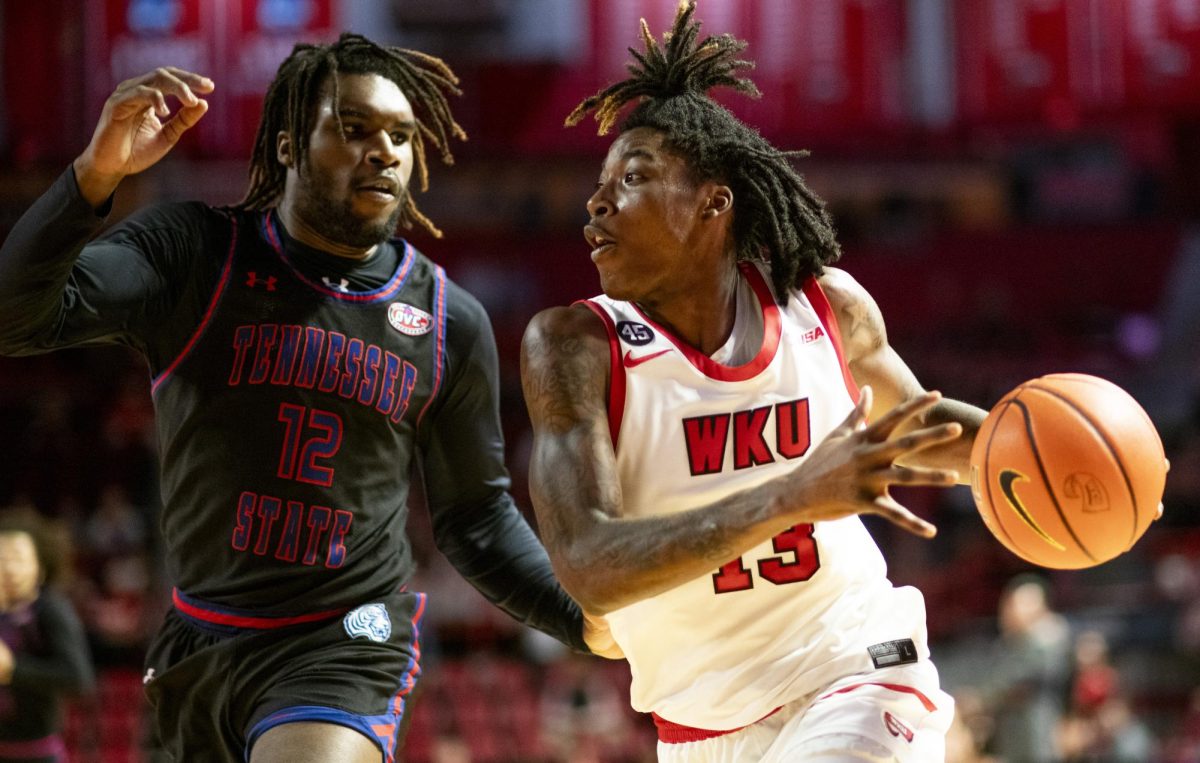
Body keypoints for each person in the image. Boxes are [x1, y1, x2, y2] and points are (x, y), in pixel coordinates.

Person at [0, 33, 607, 762]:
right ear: (287, 145)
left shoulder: (449, 319)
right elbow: (16, 318)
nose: (385, 151)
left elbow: (476, 519)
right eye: (354, 129)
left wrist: (582, 618)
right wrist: (94, 176)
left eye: (401, 136)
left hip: (344, 642)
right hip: (198, 637)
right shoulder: (197, 254)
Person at [519, 3, 990, 760]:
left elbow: (930, 439)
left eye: (633, 177)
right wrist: (793, 495)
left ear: (712, 202)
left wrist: (1042, 456)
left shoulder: (825, 308)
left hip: (856, 674)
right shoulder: (575, 345)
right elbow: (589, 566)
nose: (598, 202)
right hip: (699, 729)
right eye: (599, 183)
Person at [0, 516, 95, 763]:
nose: (8, 569)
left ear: (40, 567)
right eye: (2, 560)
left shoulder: (52, 609)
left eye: (17, 559)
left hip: (35, 753)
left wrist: (13, 670)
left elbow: (78, 678)